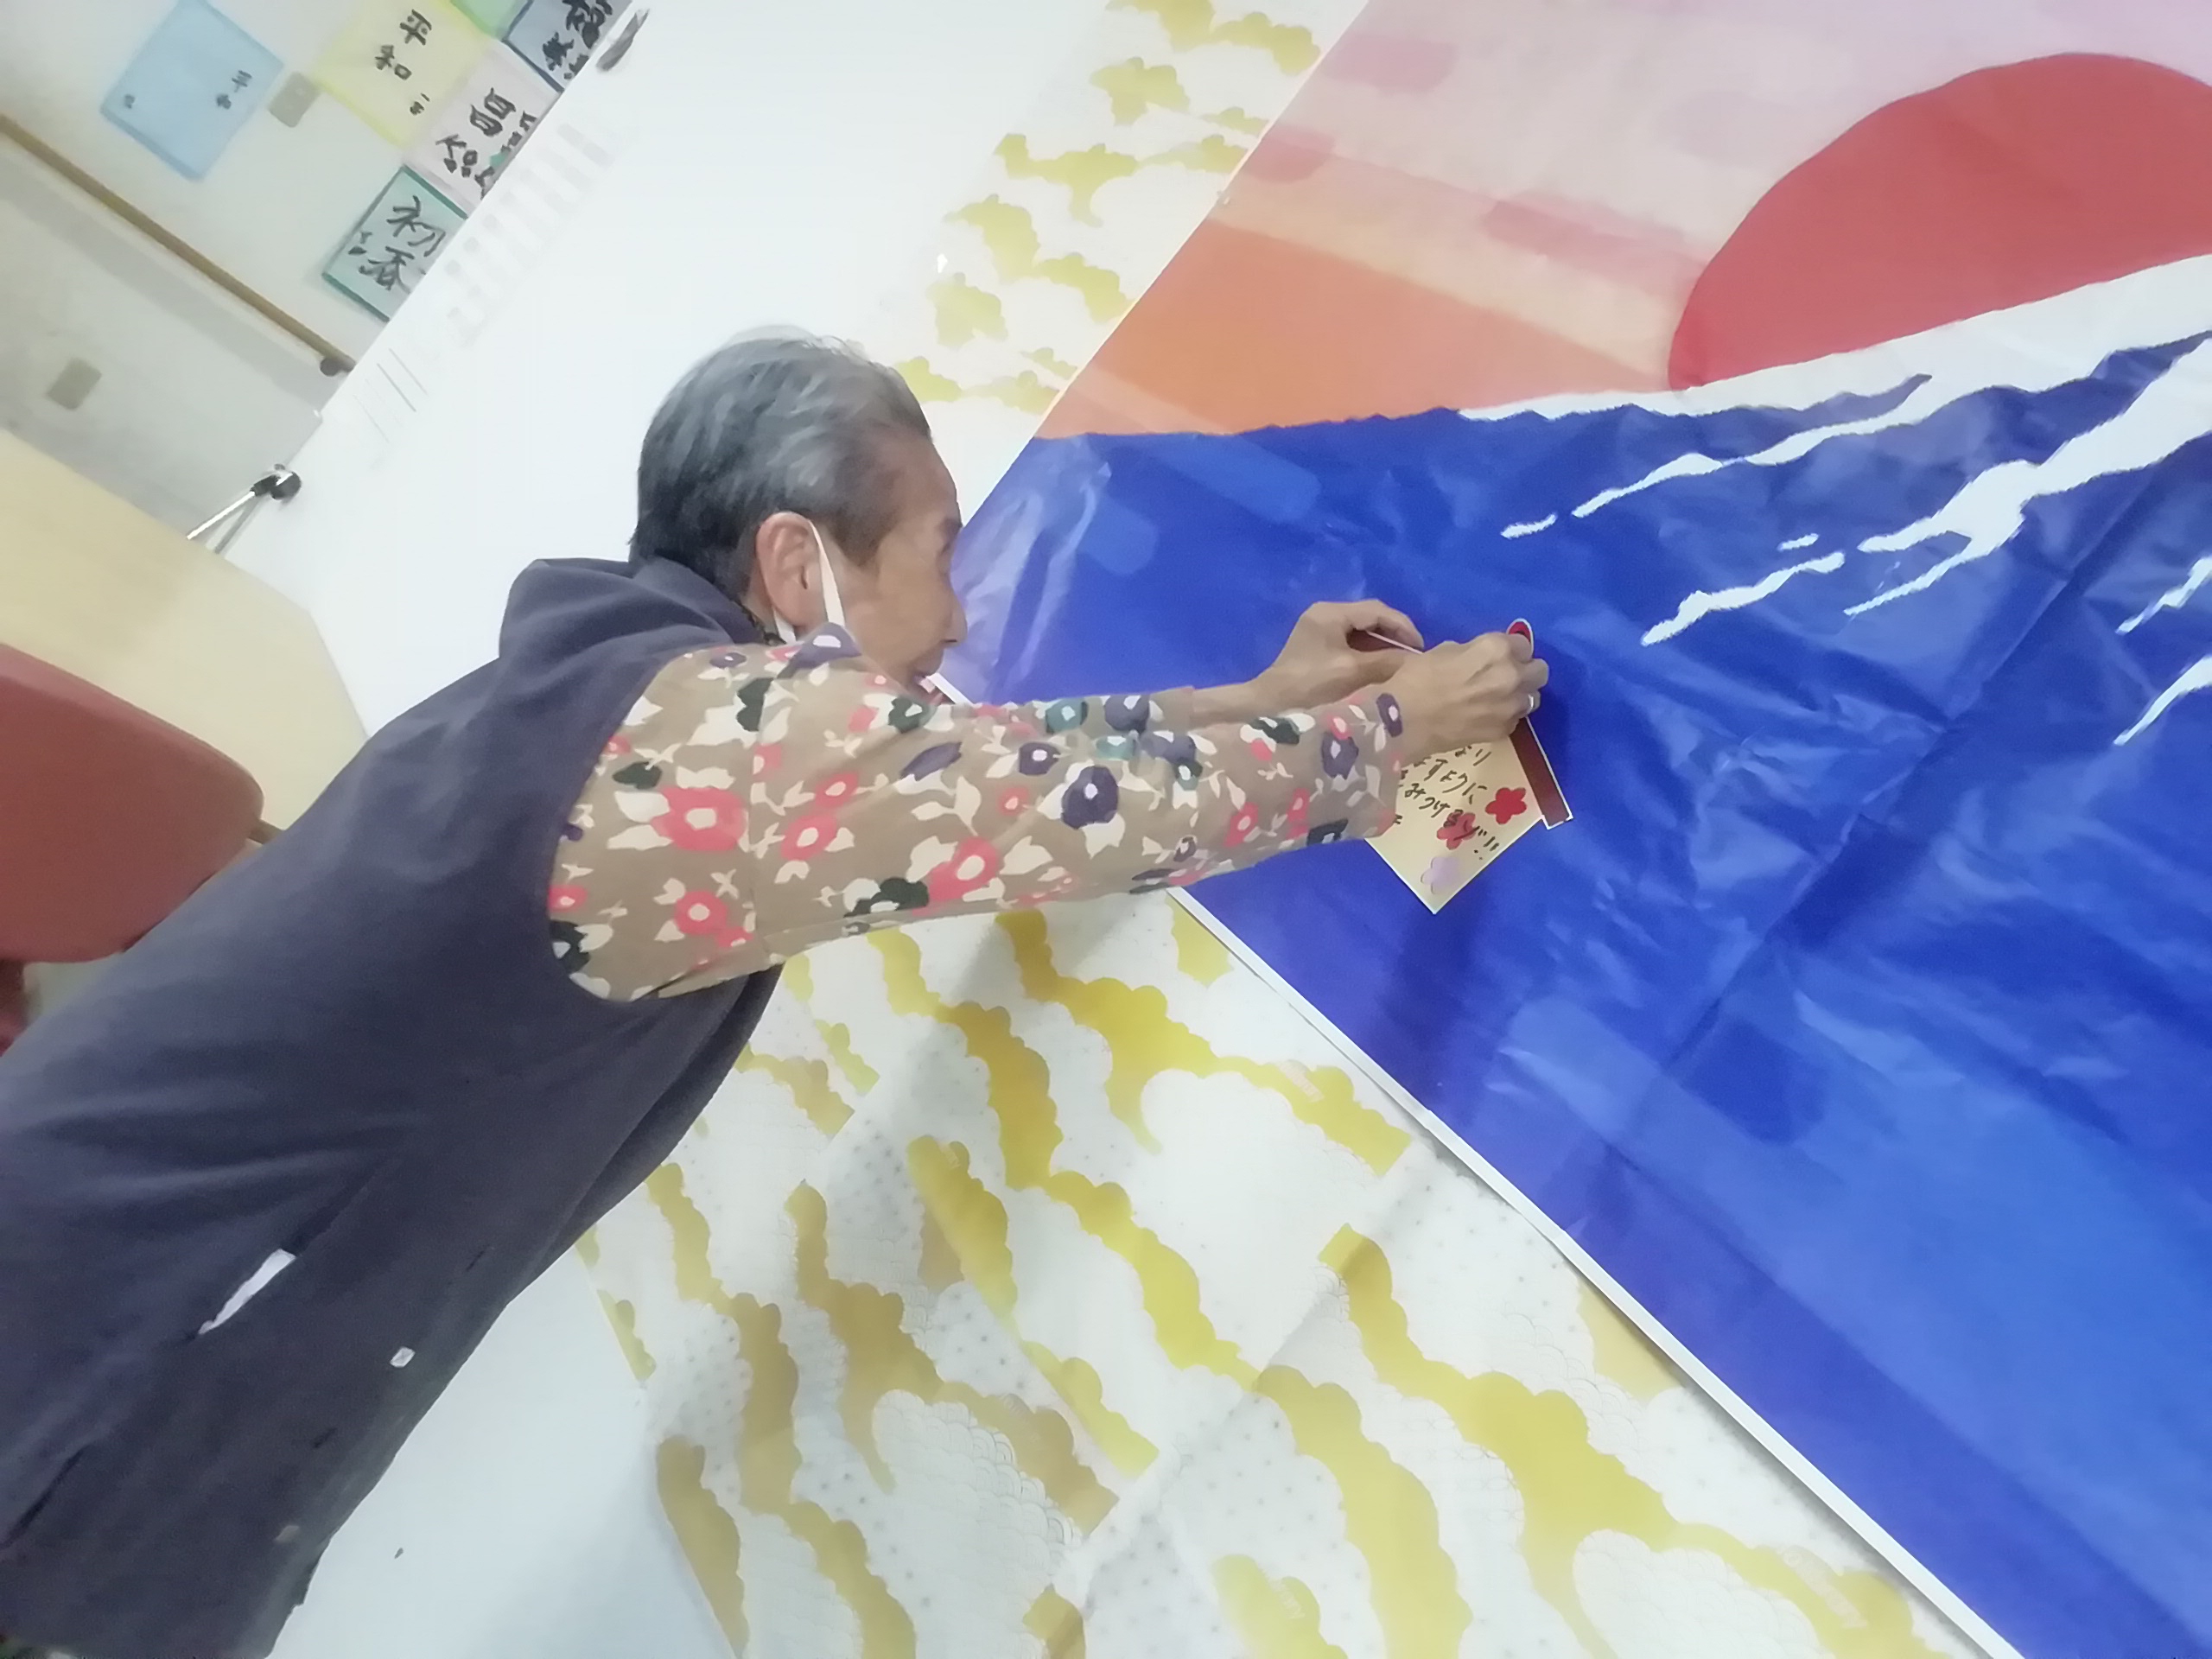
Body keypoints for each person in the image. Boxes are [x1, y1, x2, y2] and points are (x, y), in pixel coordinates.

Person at [0, 331, 1545, 1659]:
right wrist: (1393, 727)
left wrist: (1259, 702)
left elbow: (975, 771)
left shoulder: (625, 696)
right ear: (800, 566)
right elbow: (1064, 813)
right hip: (90, 1345)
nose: (958, 616)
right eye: (936, 551)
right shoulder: (708, 754)